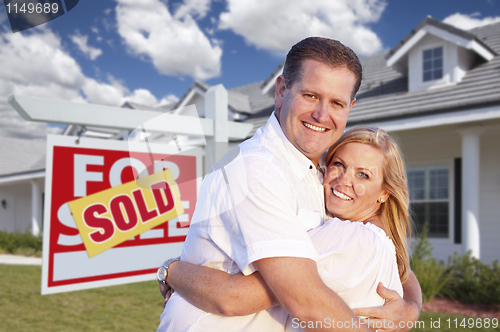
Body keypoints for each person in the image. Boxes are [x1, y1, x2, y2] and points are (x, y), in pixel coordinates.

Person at [157, 37, 421, 332]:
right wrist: (173, 271)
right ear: (281, 90)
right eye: (310, 95)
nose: (322, 114)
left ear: (350, 107)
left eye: (336, 102)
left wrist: (410, 307)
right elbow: (301, 301)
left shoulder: (320, 176)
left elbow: (380, 251)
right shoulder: (255, 169)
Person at [157, 126, 413, 332]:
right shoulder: (381, 244)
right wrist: (413, 307)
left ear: (384, 193)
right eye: (339, 164)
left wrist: (171, 271)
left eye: (363, 175)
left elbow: (232, 297)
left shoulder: (350, 237)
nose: (344, 180)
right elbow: (407, 277)